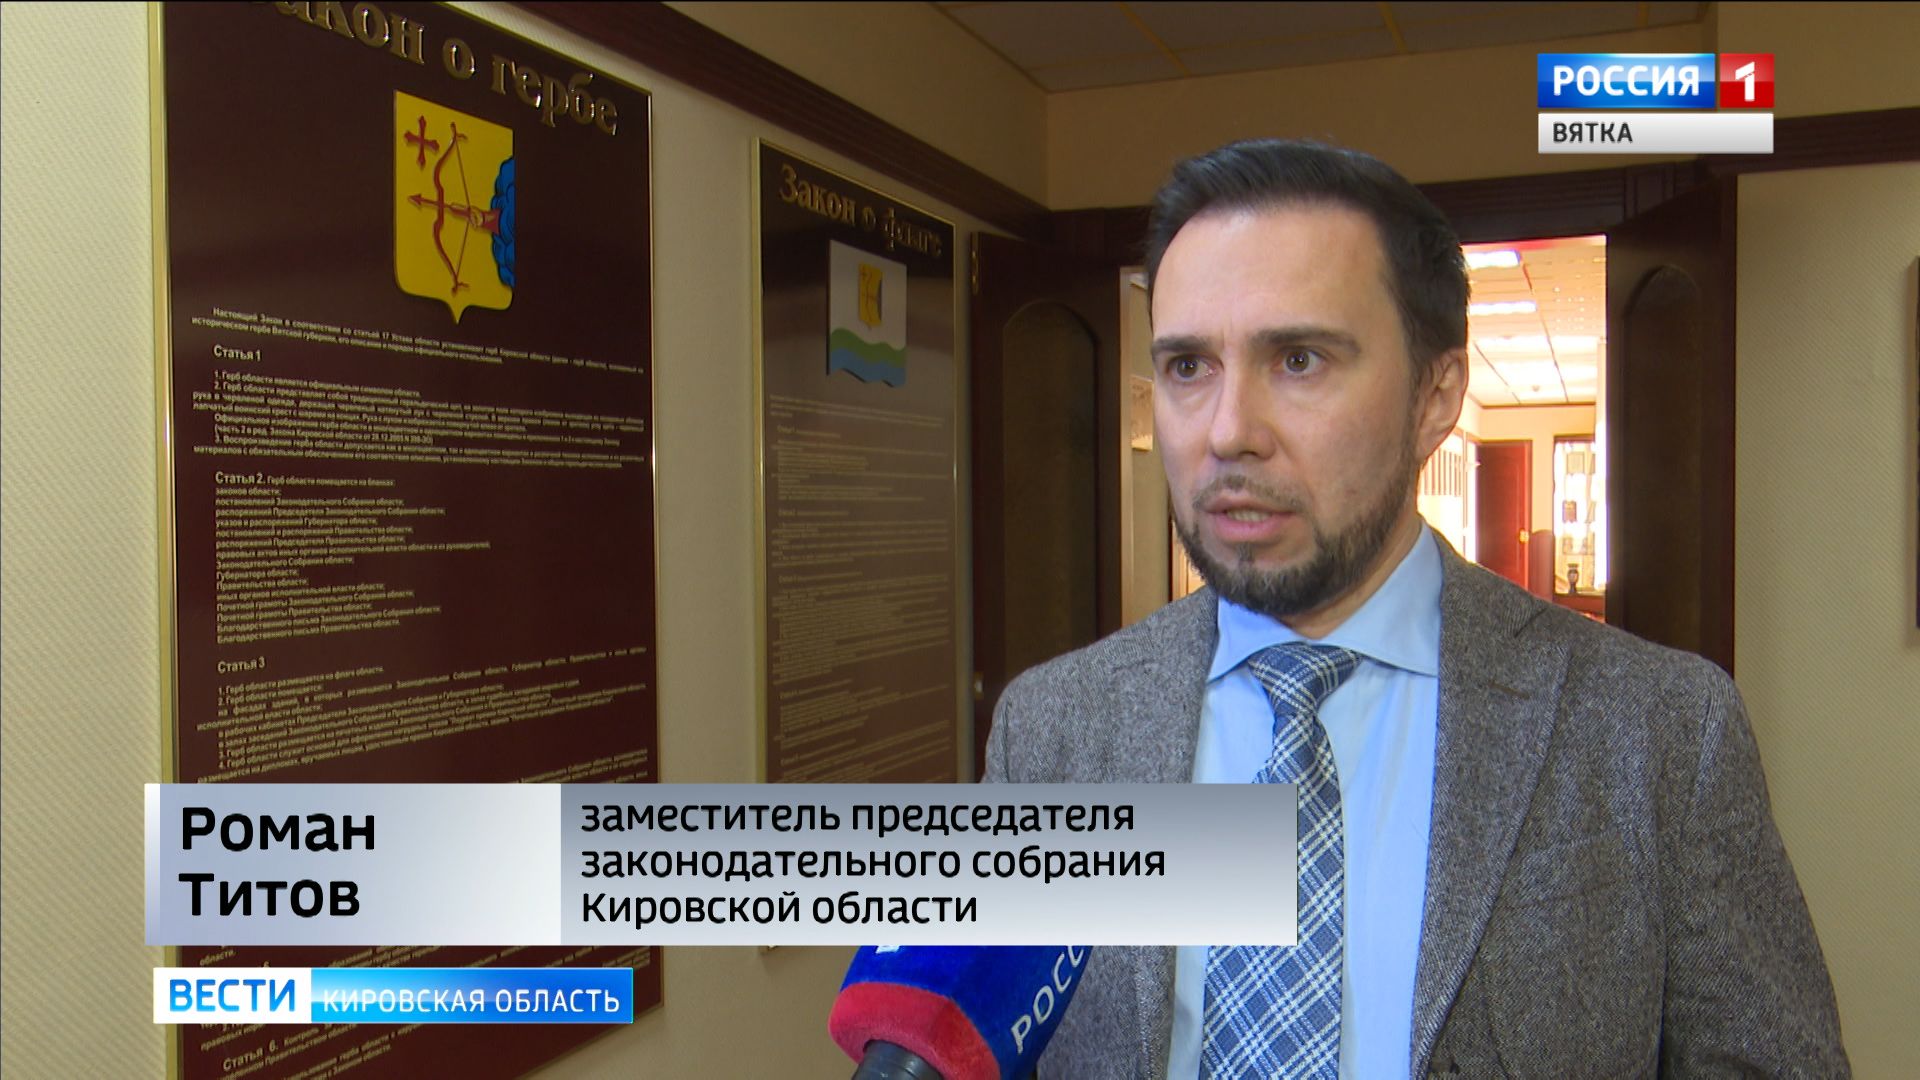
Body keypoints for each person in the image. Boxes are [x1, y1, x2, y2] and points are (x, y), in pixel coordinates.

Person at [982, 139, 1846, 1079]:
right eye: (1189, 366)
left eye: (1298, 359)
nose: (1228, 432)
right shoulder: (1051, 732)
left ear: (1436, 396)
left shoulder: (1660, 729)